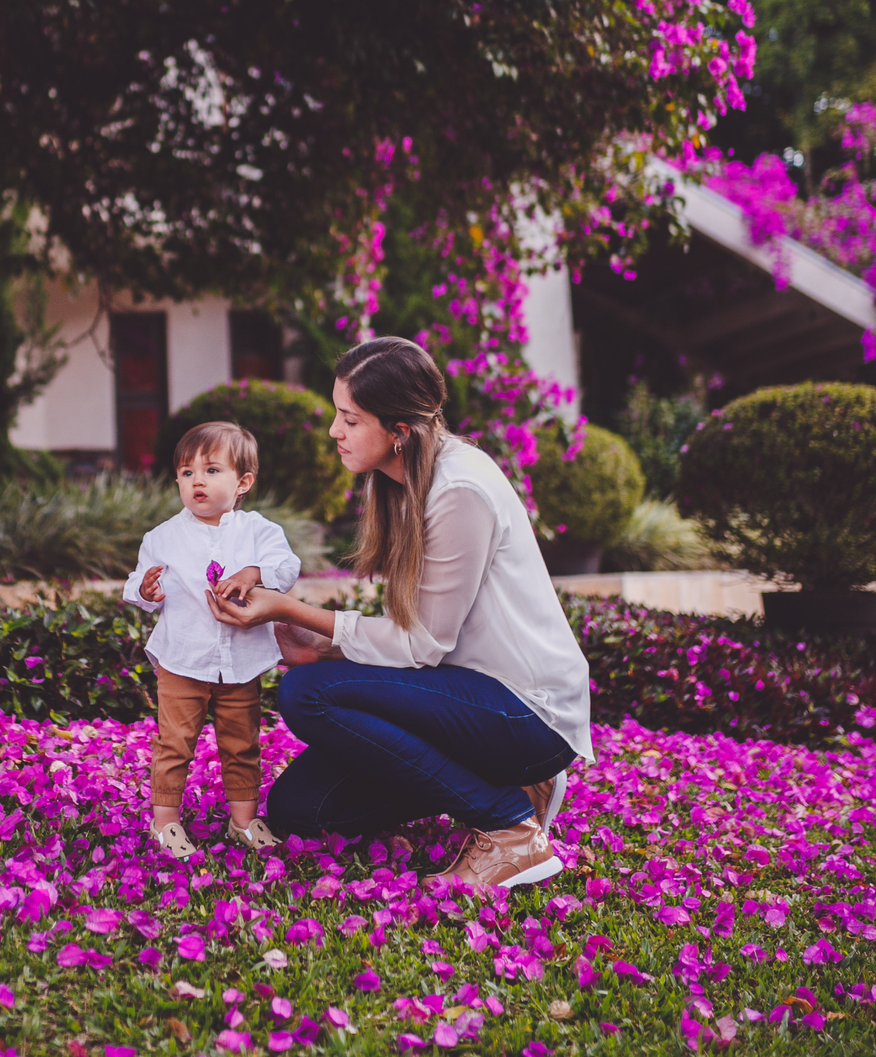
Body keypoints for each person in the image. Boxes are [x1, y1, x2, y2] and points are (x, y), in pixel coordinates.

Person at [208, 337, 594, 889]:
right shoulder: (404, 481)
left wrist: (301, 614)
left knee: (308, 694)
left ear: (399, 432)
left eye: (350, 419)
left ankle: (509, 827)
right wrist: (325, 645)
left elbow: (422, 647)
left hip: (525, 711)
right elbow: (424, 639)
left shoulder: (460, 490)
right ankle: (501, 782)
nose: (335, 432)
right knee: (302, 812)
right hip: (468, 690)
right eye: (337, 414)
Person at [123, 419, 301, 860]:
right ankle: (165, 823)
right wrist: (144, 591)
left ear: (243, 482)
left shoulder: (259, 532)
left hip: (240, 661)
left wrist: (253, 573)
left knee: (242, 742)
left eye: (211, 470)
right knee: (174, 743)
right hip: (182, 660)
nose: (196, 480)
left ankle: (243, 820)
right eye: (186, 473)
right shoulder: (163, 536)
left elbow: (286, 567)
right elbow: (139, 584)